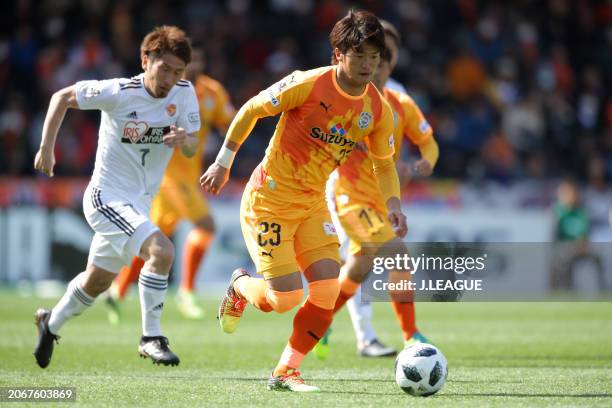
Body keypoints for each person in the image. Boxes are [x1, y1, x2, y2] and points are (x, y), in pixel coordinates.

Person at [200, 10, 406, 392]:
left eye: (374, 58)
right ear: (338, 54)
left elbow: (384, 164)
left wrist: (393, 204)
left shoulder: (378, 110)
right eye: (359, 55)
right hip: (269, 199)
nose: (367, 65)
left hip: (313, 203)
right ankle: (241, 286)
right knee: (286, 298)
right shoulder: (307, 84)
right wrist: (223, 161)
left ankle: (285, 371)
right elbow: (251, 110)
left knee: (326, 290)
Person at [32, 26, 201, 368]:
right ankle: (151, 337)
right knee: (162, 251)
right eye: (164, 68)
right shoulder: (120, 92)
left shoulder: (184, 93)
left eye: (178, 71)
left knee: (96, 282)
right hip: (105, 198)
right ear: (145, 61)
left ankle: (50, 324)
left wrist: (185, 141)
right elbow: (61, 97)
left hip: (138, 204)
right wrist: (46, 149)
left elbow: (194, 144)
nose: (170, 78)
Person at [317, 20, 438, 359]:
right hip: (348, 196)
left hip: (382, 199)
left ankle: (319, 317)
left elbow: (429, 143)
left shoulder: (400, 102)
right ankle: (410, 334)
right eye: (370, 58)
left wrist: (419, 165)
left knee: (358, 267)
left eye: (382, 59)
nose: (376, 66)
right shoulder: (345, 98)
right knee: (397, 253)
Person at [105, 47, 236, 322]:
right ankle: (186, 292)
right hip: (167, 176)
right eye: (191, 62)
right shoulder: (166, 93)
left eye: (200, 61)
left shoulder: (212, 92)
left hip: (190, 177)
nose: (196, 66)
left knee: (153, 242)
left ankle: (117, 292)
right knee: (206, 226)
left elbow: (230, 122)